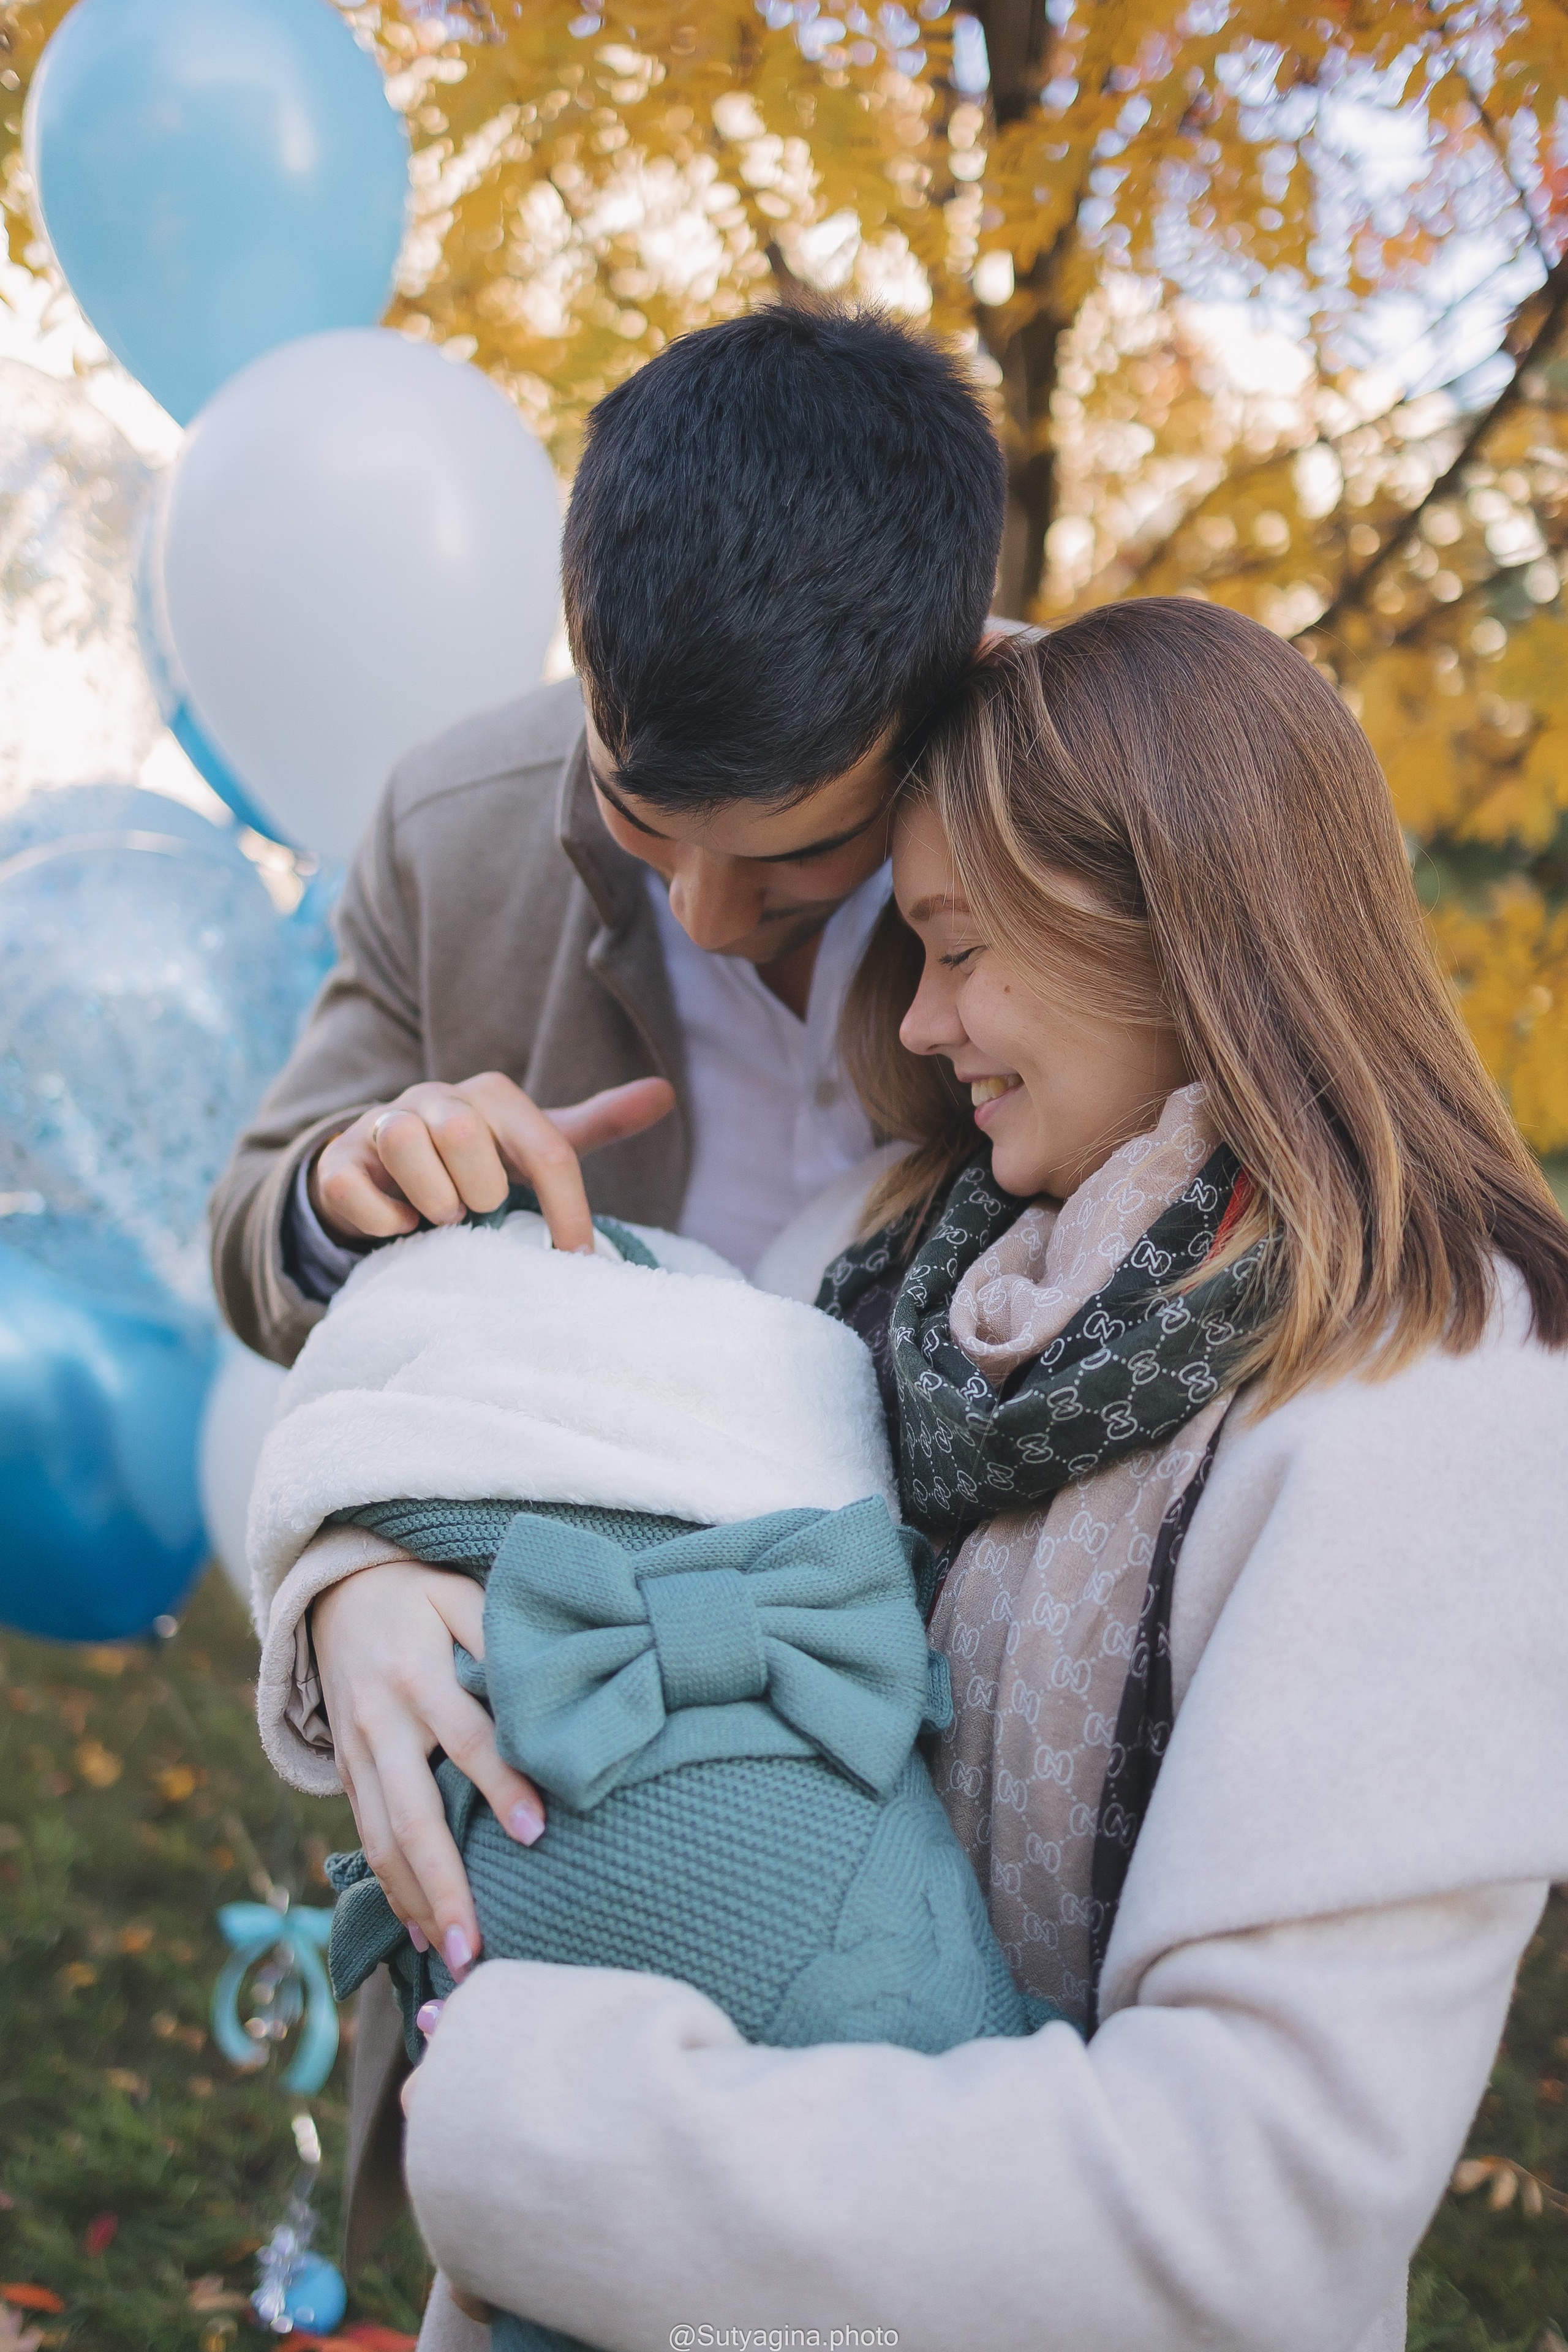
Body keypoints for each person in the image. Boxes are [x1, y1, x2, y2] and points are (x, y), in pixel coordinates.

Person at [394, 601, 1568, 2352]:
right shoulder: (884, 1257)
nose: (923, 1023)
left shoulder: (1437, 1387)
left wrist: (556, 2142)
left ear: (1170, 925)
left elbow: (1249, 2208)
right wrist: (351, 1571)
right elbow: (546, 1441)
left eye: (957, 945)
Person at [211, 300, 1006, 2258]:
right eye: (651, 829)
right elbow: (252, 1234)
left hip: (968, 1764)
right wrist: (352, 1189)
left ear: (944, 698)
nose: (715, 918)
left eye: (802, 858)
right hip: (567, 1739)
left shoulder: (1094, 813)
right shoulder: (442, 820)